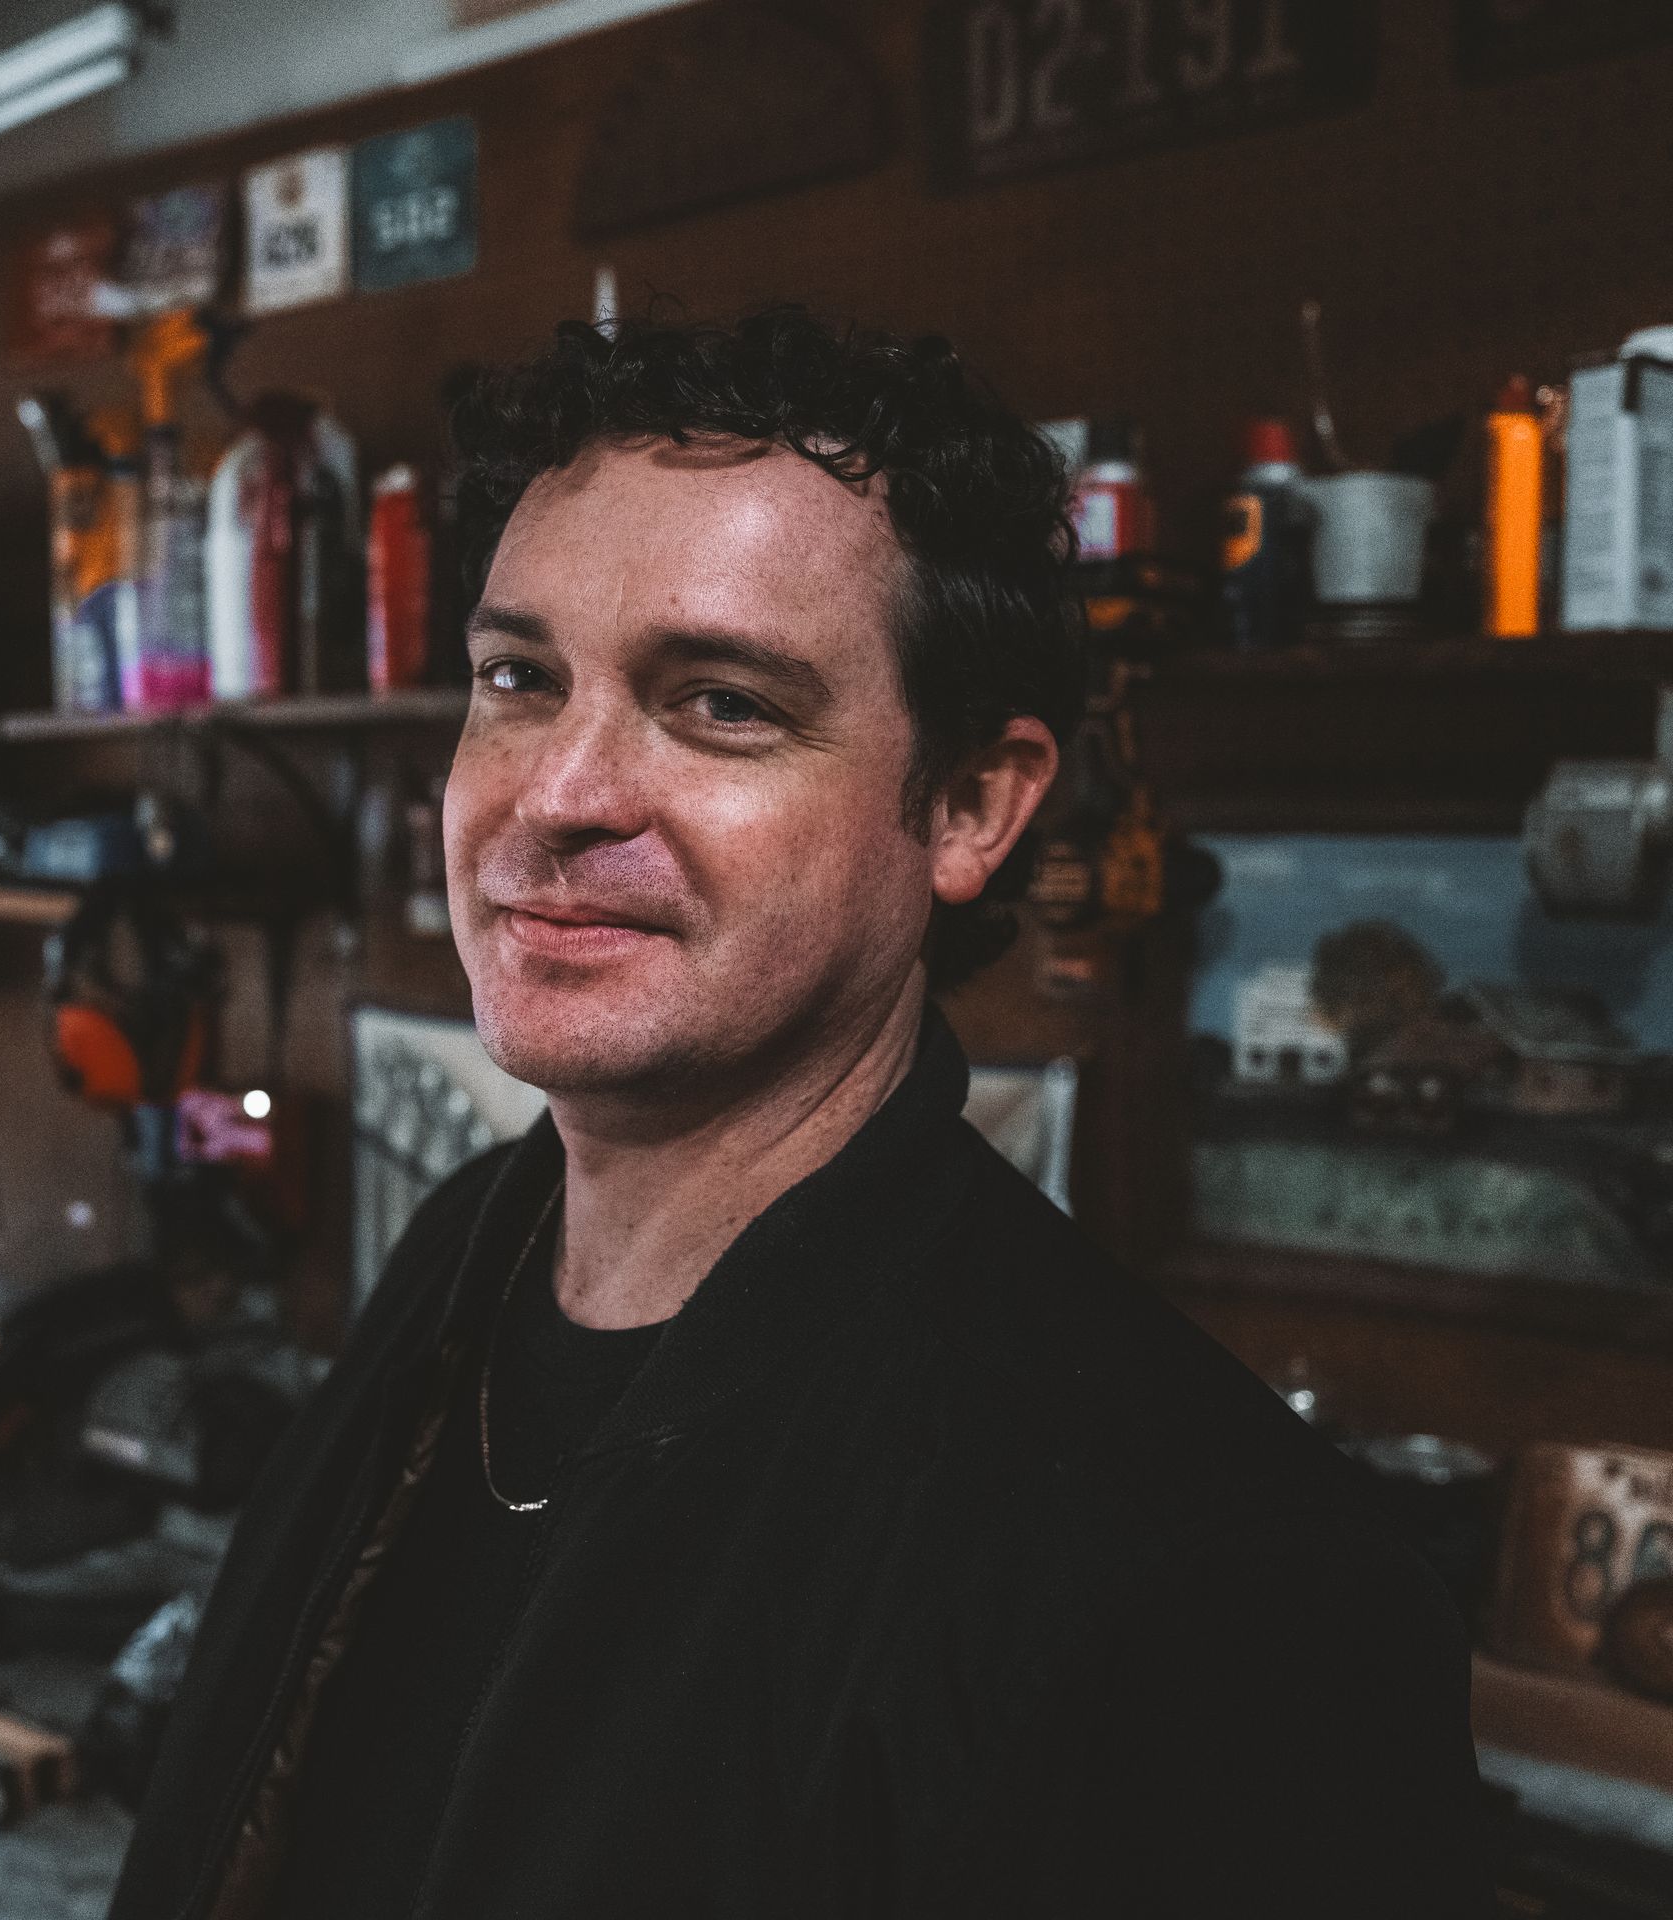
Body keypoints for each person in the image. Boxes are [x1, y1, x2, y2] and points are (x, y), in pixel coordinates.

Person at [107, 309, 1485, 1920]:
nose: (557, 791)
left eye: (722, 705)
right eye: (516, 678)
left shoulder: (1212, 1575)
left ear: (969, 807)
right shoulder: (463, 1253)